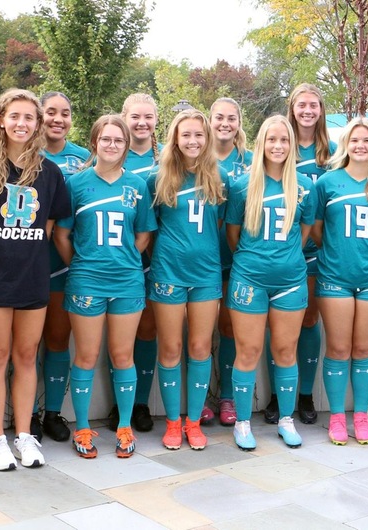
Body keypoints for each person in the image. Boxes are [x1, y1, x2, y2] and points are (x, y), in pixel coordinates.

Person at [0, 89, 71, 470]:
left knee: (26, 355)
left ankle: (24, 435)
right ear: (0, 121)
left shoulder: (51, 173)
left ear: (38, 124)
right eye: (15, 116)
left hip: (32, 277)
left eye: (29, 117)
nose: (22, 124)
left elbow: (47, 230)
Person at [54, 114, 157, 459]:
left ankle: (125, 426)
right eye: (106, 139)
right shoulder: (77, 184)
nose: (112, 145)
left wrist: (124, 259)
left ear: (127, 146)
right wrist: (82, 263)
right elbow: (62, 234)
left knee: (122, 355)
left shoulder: (136, 186)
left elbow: (143, 234)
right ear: (95, 141)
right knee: (85, 355)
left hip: (127, 281)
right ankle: (82, 427)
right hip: (86, 280)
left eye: (119, 140)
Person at [225, 115, 316, 450]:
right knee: (248, 351)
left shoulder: (306, 186)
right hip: (249, 278)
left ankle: (286, 419)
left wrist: (282, 259)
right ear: (261, 143)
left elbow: (304, 234)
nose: (278, 146)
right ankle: (243, 422)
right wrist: (259, 260)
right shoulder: (242, 186)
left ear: (292, 145)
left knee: (285, 350)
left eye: (285, 140)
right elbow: (233, 236)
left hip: (291, 279)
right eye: (272, 139)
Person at [312, 117, 368, 445]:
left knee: (364, 348)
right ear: (345, 144)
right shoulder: (328, 183)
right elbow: (318, 231)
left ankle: (360, 415)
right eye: (355, 140)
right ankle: (337, 416)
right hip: (335, 277)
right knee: (337, 347)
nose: (361, 145)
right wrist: (339, 254)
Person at [149, 109, 227, 451]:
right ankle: (172, 423)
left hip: (207, 274)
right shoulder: (158, 178)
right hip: (168, 272)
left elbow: (222, 226)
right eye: (186, 135)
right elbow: (147, 229)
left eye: (199, 134)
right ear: (175, 140)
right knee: (170, 349)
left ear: (207, 138)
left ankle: (194, 422)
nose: (193, 141)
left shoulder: (218, 177)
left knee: (200, 348)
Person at [33, 91, 90, 443]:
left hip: (67, 263)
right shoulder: (25, 151)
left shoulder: (84, 158)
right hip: (27, 260)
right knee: (21, 345)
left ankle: (52, 413)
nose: (57, 119)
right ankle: (24, 415)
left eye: (65, 113)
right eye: (50, 112)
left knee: (57, 339)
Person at [282, 83, 336, 425]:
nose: (307, 110)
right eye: (302, 104)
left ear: (321, 111)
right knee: (280, 325)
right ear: (292, 108)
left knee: (309, 320)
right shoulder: (280, 144)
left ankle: (304, 394)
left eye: (313, 105)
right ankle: (278, 394)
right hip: (279, 251)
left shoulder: (332, 153)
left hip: (316, 250)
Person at [117, 93, 162, 433]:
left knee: (147, 331)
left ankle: (142, 403)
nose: (141, 123)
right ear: (124, 118)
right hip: (123, 261)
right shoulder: (114, 154)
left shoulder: (168, 160)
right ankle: (122, 404)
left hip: (161, 261)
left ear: (157, 121)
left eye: (148, 116)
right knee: (119, 338)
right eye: (135, 117)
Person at [211, 97, 249, 427]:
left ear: (239, 123)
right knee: (193, 333)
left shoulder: (251, 162)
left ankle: (227, 396)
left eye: (231, 118)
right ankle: (199, 397)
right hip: (199, 262)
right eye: (219, 117)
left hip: (237, 262)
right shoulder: (194, 155)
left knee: (227, 329)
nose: (225, 123)